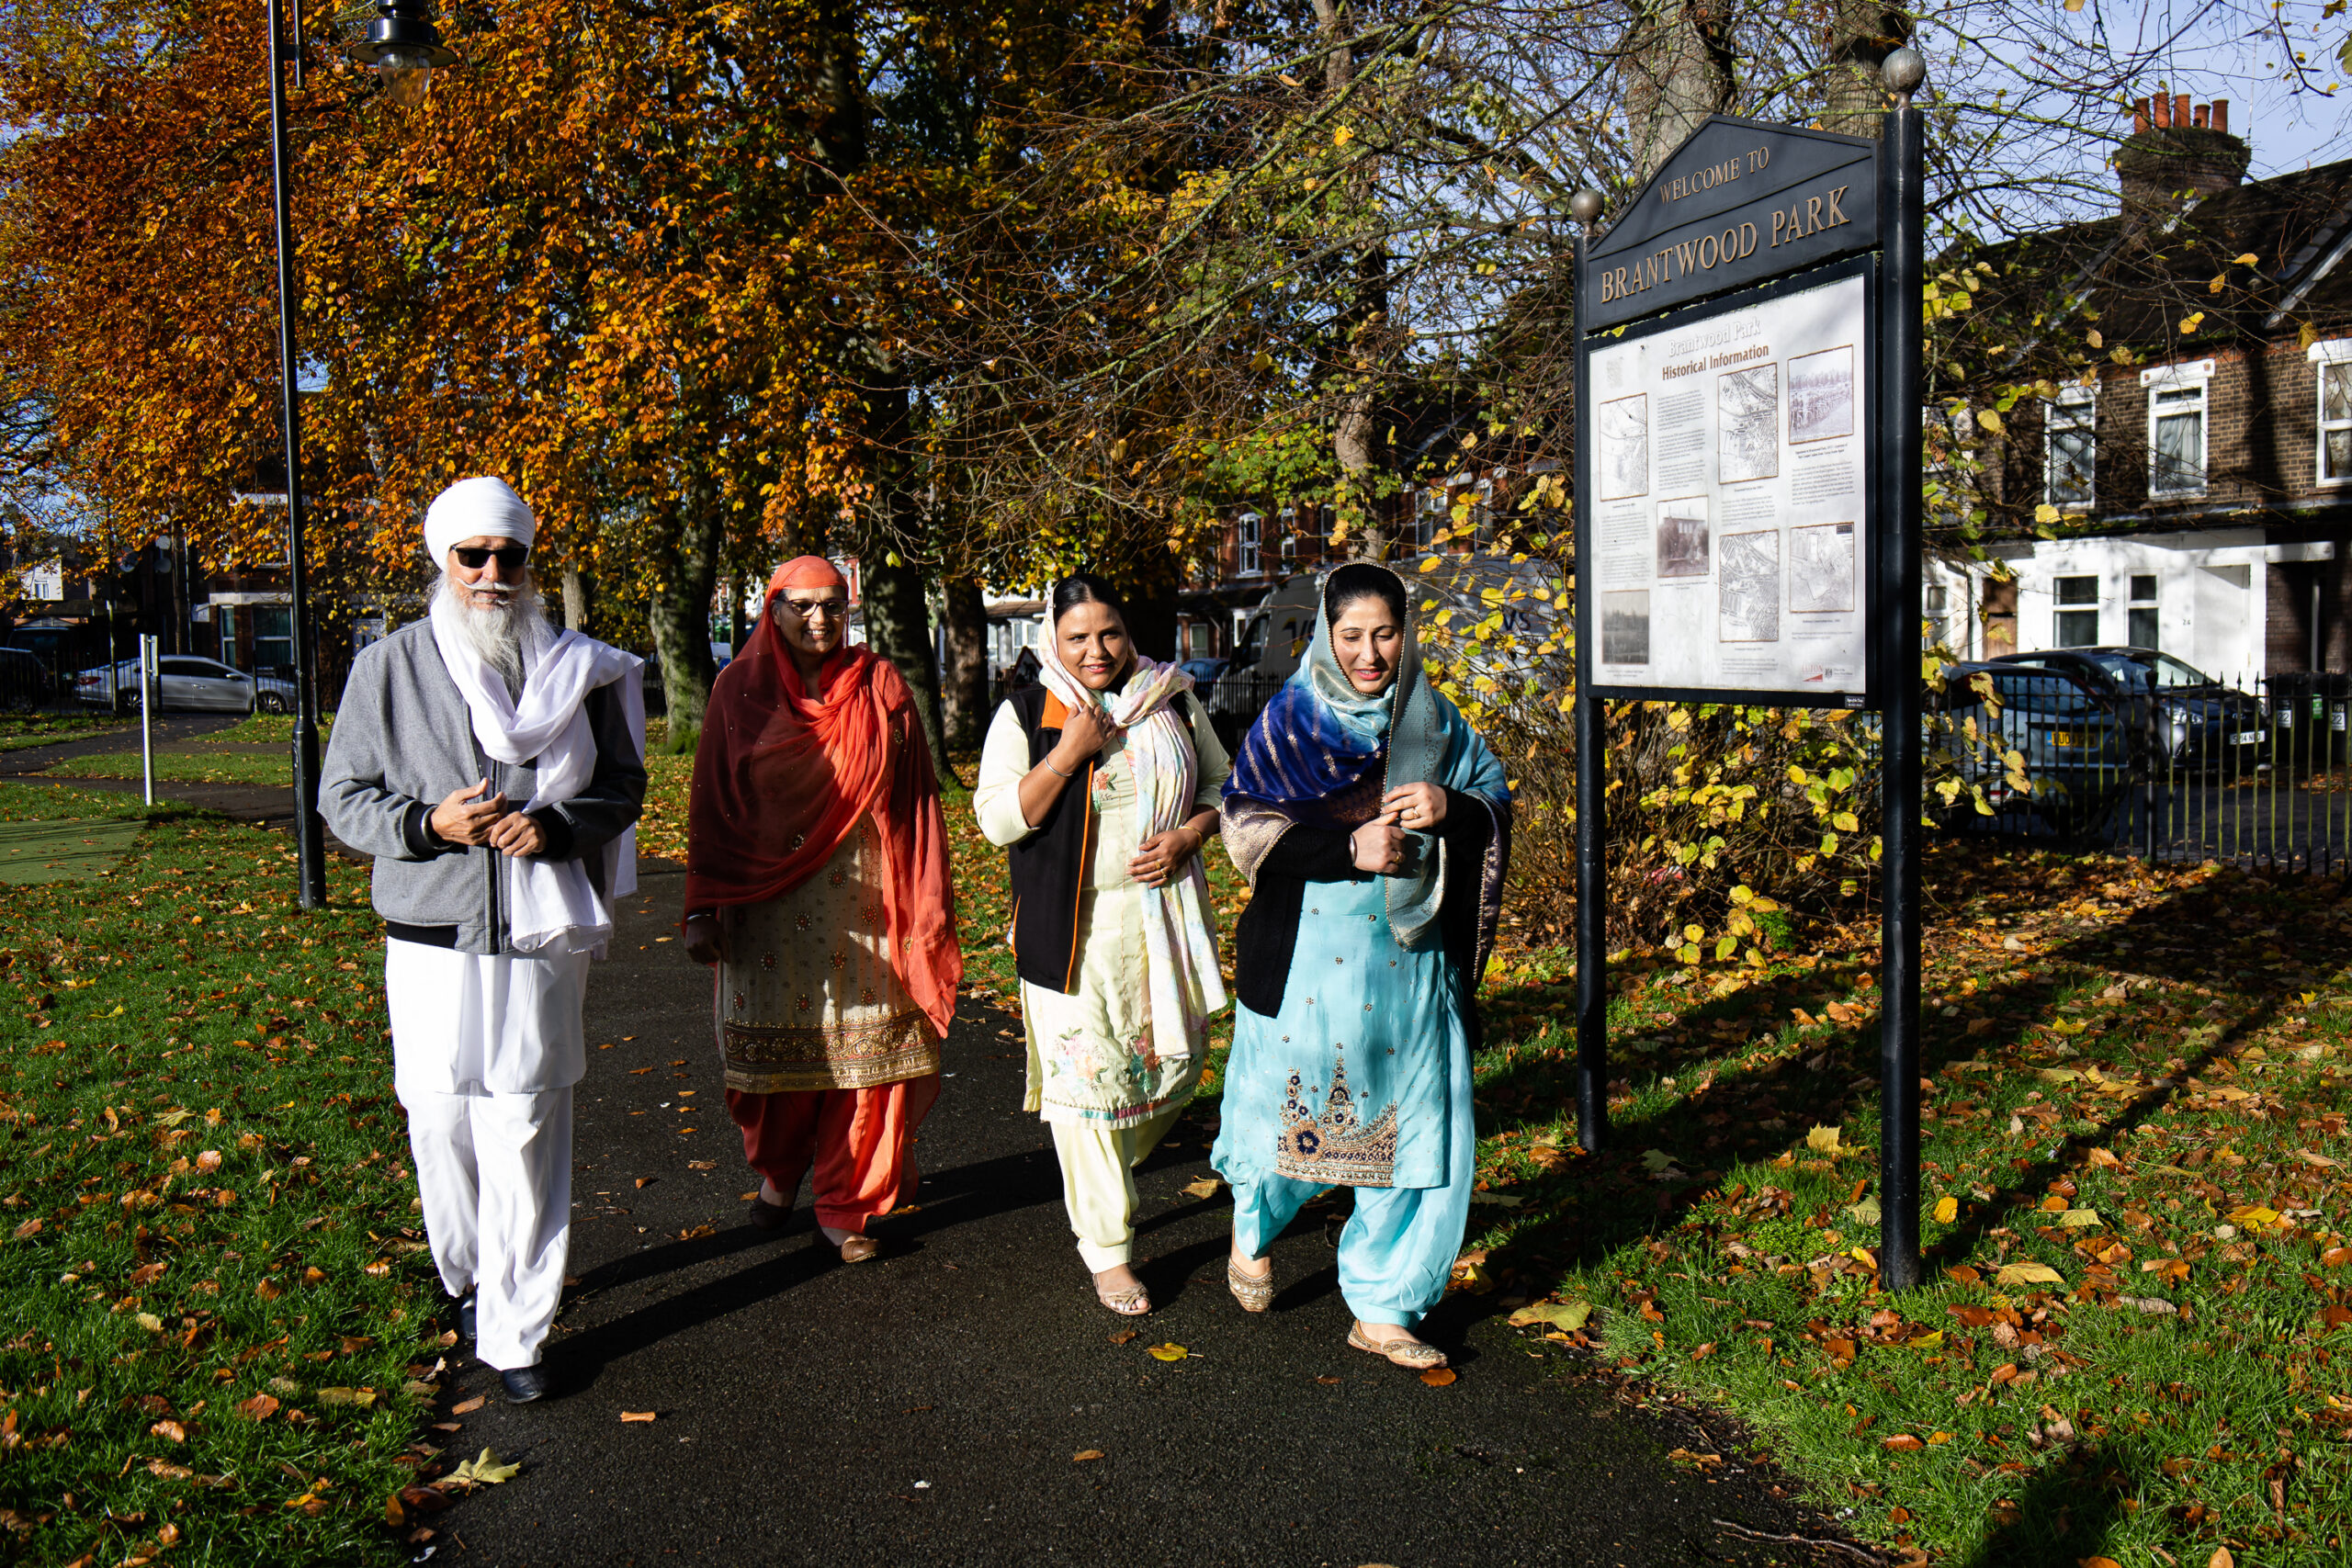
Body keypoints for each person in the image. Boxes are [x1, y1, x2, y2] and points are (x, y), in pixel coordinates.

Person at [322, 476, 647, 1404]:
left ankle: (517, 1332)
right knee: (441, 1117)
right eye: (474, 555)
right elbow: (341, 798)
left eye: (511, 555)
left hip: (542, 932)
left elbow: (621, 788)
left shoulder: (582, 668)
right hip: (432, 932)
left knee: (529, 1120)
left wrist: (557, 828)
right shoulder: (388, 666)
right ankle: (464, 1277)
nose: (494, 573)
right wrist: (431, 824)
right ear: (443, 558)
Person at [1211, 562, 1511, 1371]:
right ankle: (1256, 1222)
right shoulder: (1289, 721)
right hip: (1308, 958)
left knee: (1416, 1123)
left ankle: (1383, 1305)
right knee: (1290, 1114)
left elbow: (1493, 797)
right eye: (1352, 635)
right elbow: (1245, 828)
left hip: (1409, 959)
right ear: (1325, 633)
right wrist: (1347, 847)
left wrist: (1455, 808)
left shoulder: (1435, 719)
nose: (1370, 653)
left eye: (1386, 633)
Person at [681, 558, 960, 1263]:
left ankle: (845, 1204)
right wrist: (702, 905)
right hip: (762, 904)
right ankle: (780, 1174)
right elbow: (712, 803)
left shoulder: (881, 683)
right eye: (801, 605)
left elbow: (917, 796)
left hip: (867, 895)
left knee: (867, 1057)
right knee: (774, 1069)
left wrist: (921, 898)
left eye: (832, 605)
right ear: (771, 610)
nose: (819, 619)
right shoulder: (736, 690)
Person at [973, 575, 1229, 1314]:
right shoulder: (1029, 710)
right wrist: (1069, 751)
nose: (1095, 650)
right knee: (1087, 1097)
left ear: (1129, 631)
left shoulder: (1171, 696)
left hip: (1160, 927)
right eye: (1077, 636)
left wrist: (1188, 834)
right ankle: (1108, 1249)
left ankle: (1108, 1183)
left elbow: (1220, 783)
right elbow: (997, 820)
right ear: (1051, 637)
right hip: (1072, 934)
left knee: (1167, 1075)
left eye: (1108, 632)